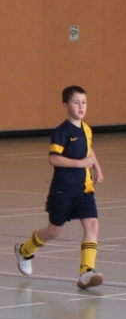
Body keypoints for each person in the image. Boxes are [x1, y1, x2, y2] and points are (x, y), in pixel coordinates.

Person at [15, 86, 105, 289]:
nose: (81, 106)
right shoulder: (62, 131)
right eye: (76, 102)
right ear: (66, 106)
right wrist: (80, 164)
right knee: (54, 231)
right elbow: (54, 158)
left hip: (84, 189)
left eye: (84, 102)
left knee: (92, 225)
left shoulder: (86, 129)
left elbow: (88, 148)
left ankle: (86, 272)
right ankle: (24, 251)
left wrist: (97, 168)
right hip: (63, 190)